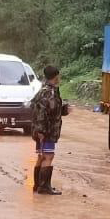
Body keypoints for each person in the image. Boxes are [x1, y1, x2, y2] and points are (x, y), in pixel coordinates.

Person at [30, 65, 69, 195]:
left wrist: (63, 110)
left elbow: (51, 110)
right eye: (58, 75)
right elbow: (41, 111)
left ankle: (37, 185)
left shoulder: (45, 90)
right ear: (55, 76)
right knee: (48, 156)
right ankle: (44, 187)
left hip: (42, 129)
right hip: (46, 131)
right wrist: (41, 131)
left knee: (41, 156)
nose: (59, 78)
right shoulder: (49, 92)